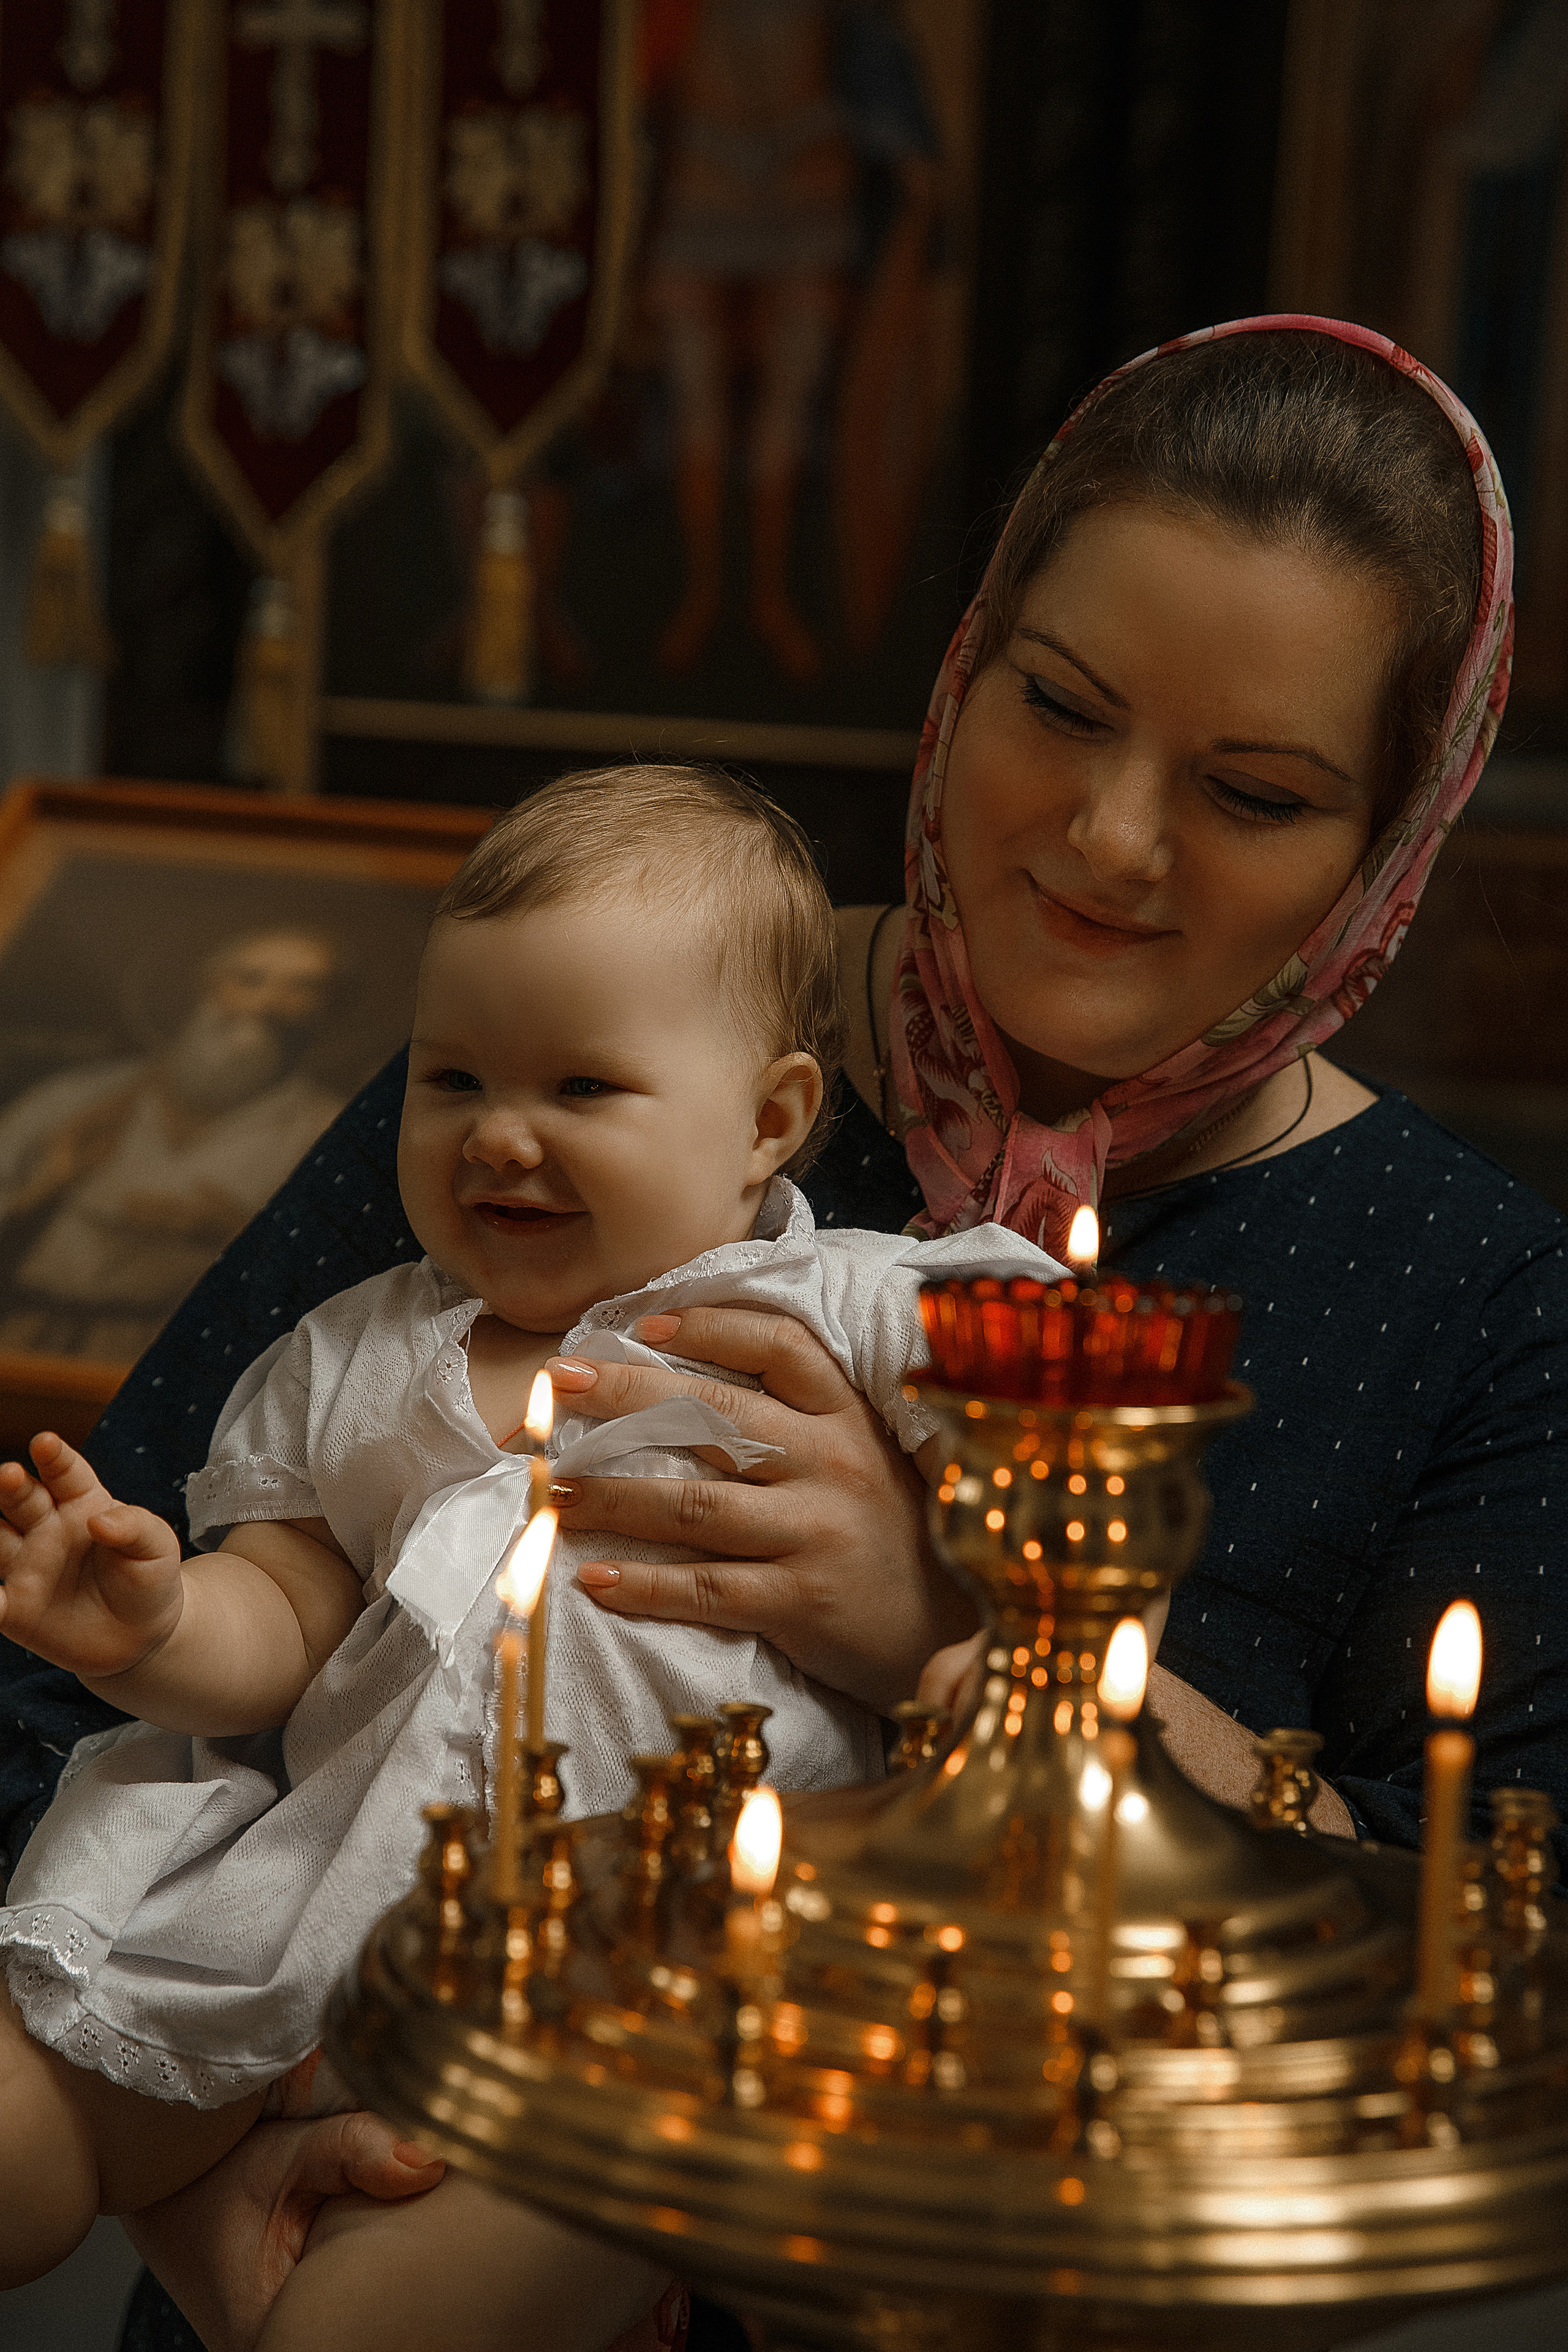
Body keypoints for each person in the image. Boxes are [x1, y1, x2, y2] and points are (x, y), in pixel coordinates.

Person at [7, 313, 1566, 2350]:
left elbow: (1500, 1999)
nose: (1107, 838)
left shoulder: (1475, 1296)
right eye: (1060, 706)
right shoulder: (558, 1071)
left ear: (1390, 846)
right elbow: (66, 1679)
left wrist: (960, 1635)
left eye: (1254, 792)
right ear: (965, 659)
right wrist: (213, 2207)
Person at [0, 765, 1061, 2339]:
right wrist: (152, 1623)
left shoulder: (832, 1306)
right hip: (314, 1925)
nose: (500, 1136)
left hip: (634, 2004)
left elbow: (1049, 1419)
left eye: (580, 1090)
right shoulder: (361, 1348)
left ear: (766, 1118)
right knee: (26, 2129)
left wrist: (1011, 1557)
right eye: (451, 1081)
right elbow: (286, 1611)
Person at [0, 927, 345, 1363]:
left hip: (187, 1362)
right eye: (248, 979)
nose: (266, 1003)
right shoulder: (79, 1096)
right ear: (207, 987)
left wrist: (229, 1233)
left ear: (328, 1011)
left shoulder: (330, 1131)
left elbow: (339, 1280)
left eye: (302, 988)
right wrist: (44, 1186)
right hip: (23, 1334)